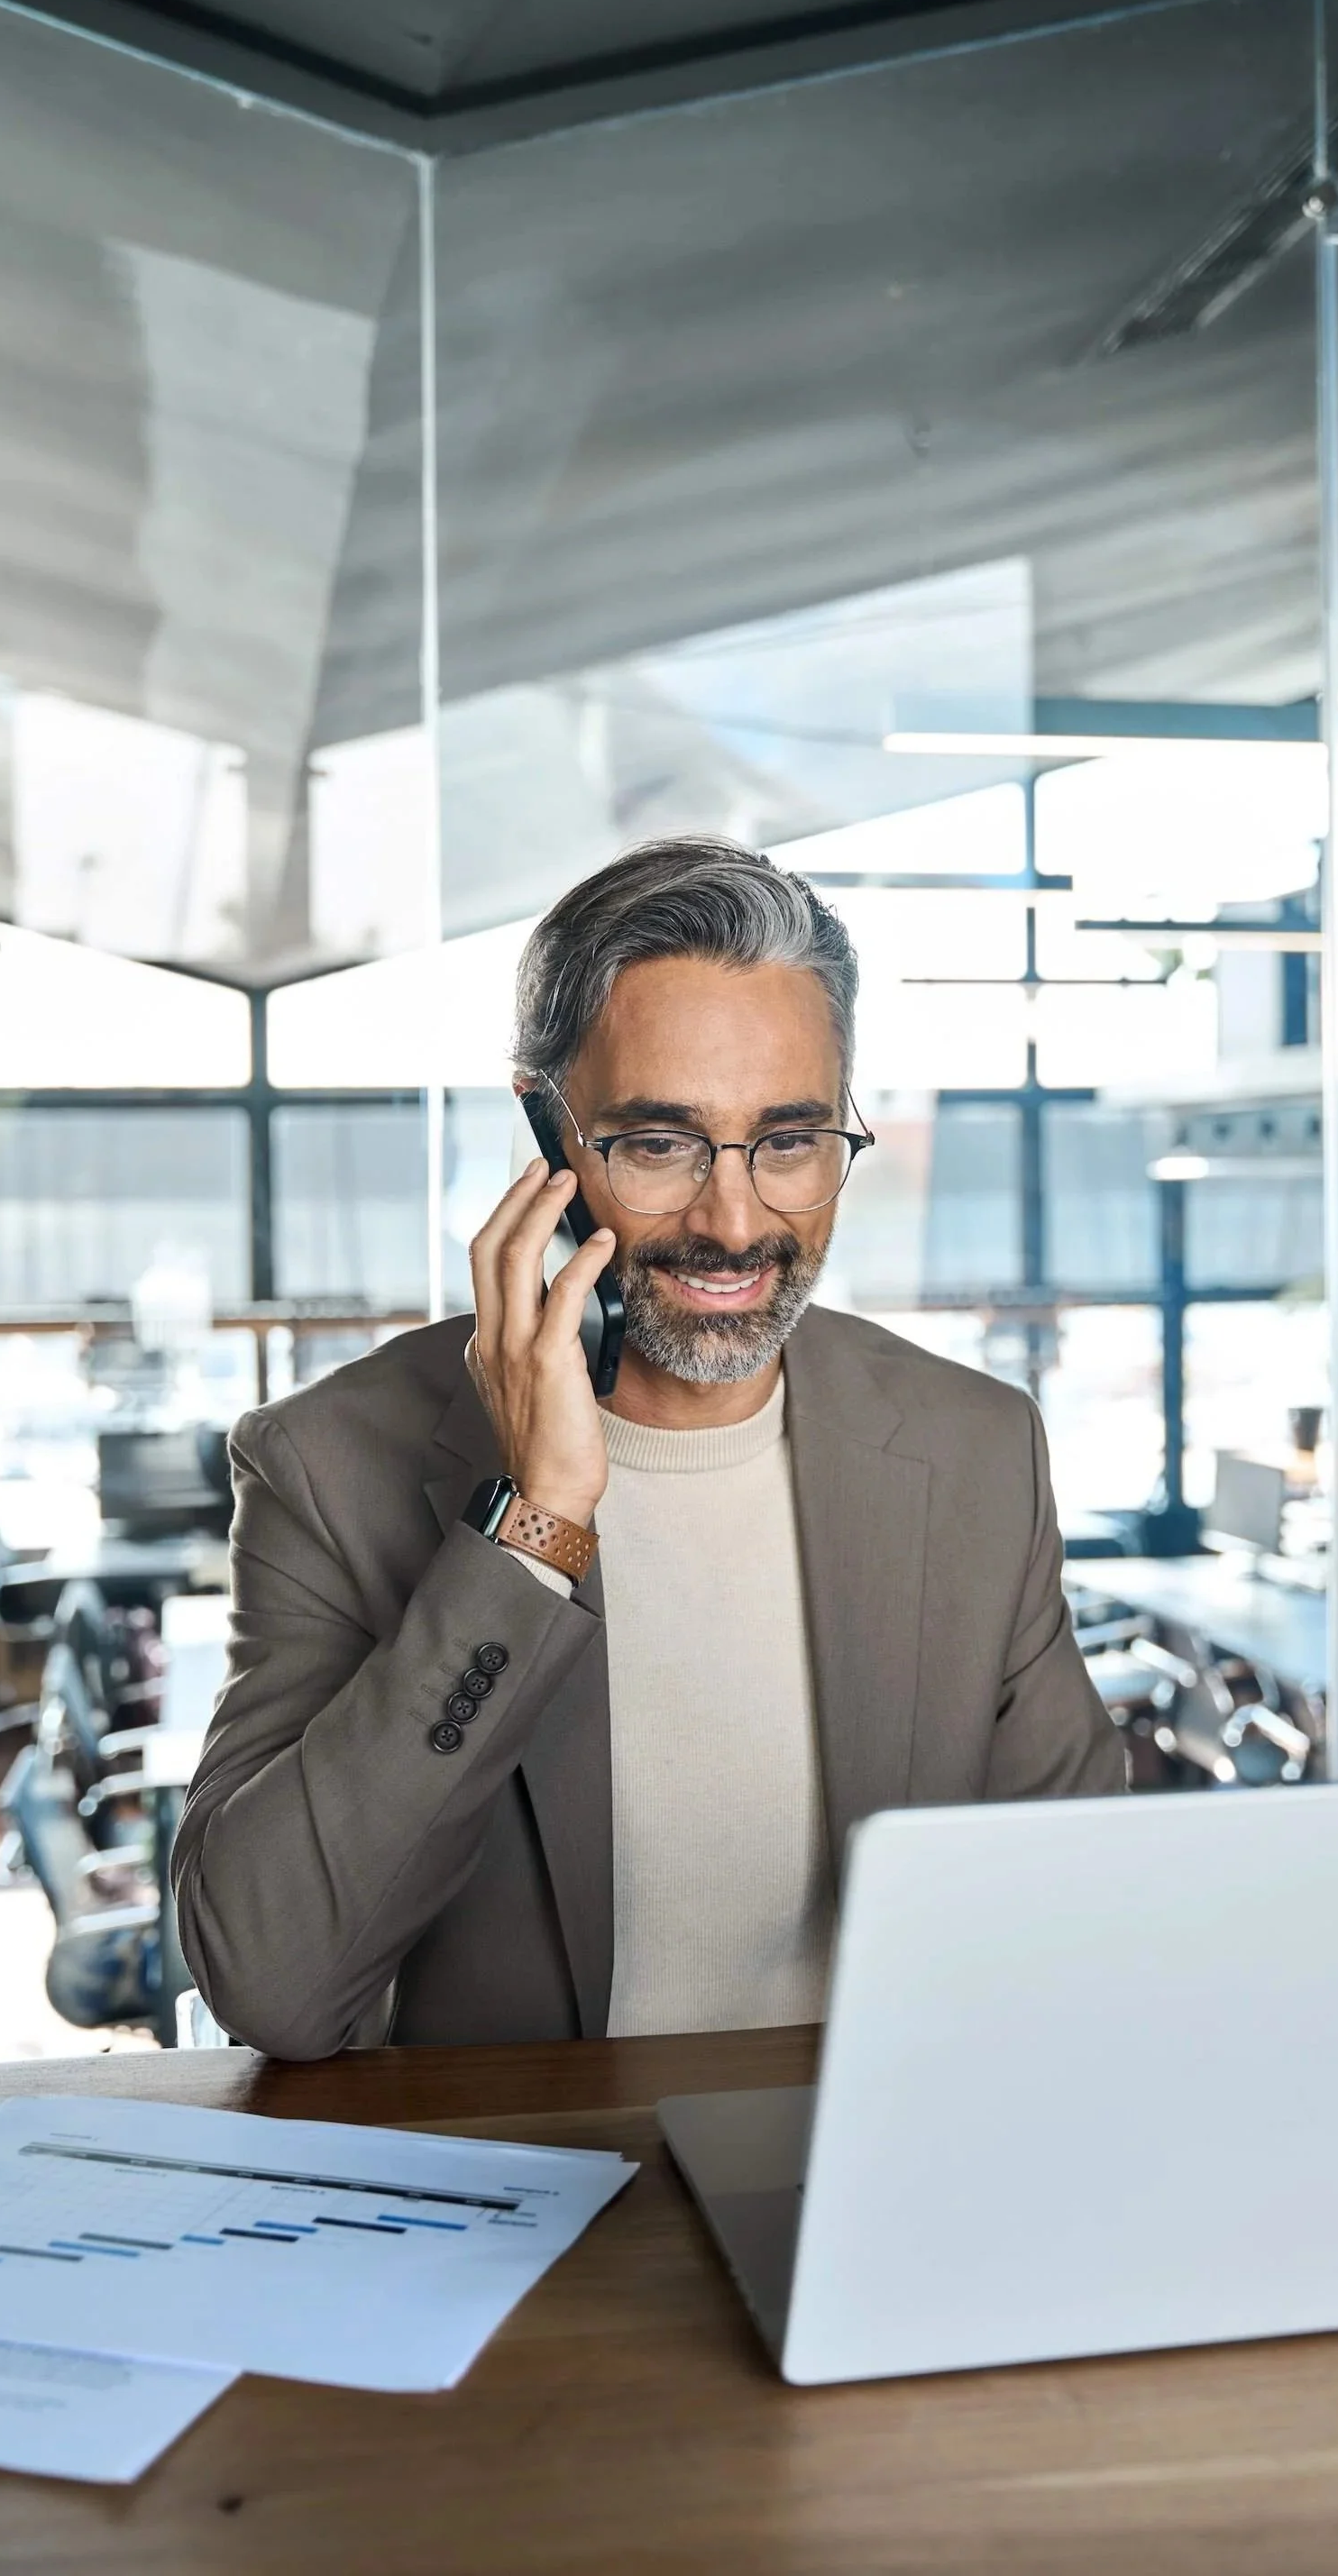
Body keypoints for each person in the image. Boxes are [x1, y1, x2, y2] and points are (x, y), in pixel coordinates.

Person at [173, 836, 1124, 2059]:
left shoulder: (974, 1448)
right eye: (660, 1145)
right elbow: (273, 1986)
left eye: (788, 1142)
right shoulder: (328, 1465)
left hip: (875, 2187)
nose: (734, 1224)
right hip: (532, 2207)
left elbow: (1085, 1912)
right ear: (549, 1135)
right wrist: (533, 1526)